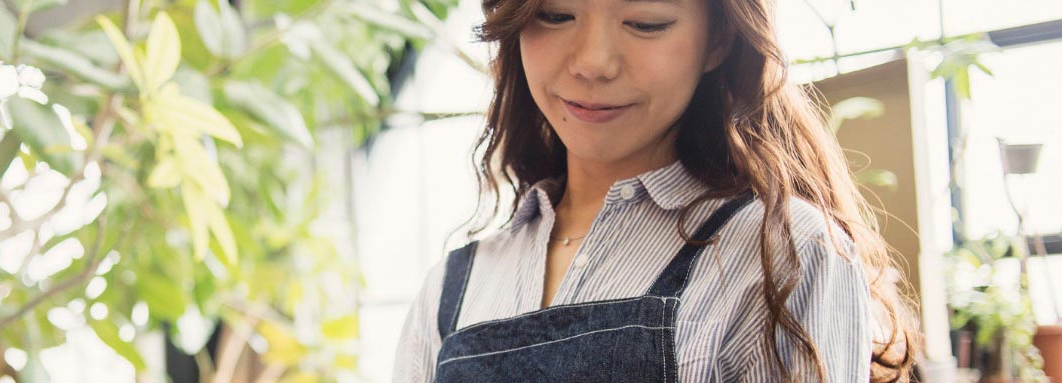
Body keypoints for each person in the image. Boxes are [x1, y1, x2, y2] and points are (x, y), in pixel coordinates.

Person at [392, 0, 919, 381]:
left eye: (646, 23)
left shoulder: (782, 252)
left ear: (718, 40)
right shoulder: (451, 288)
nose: (593, 62)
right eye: (554, 15)